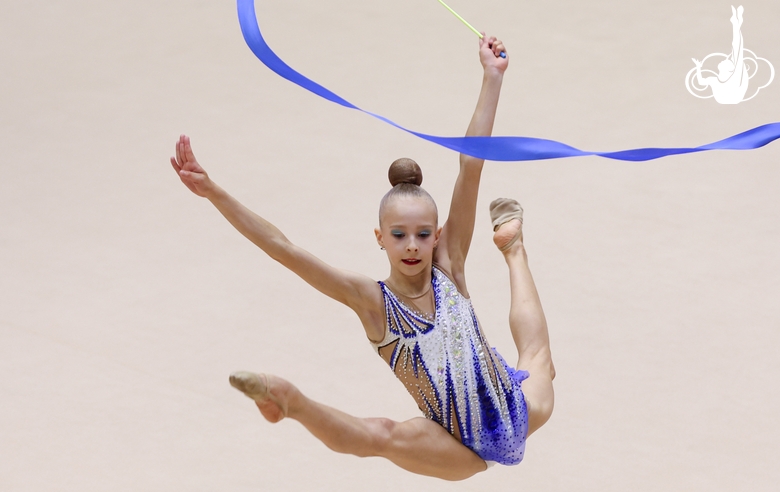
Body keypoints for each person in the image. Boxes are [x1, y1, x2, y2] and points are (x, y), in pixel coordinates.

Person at [170, 34, 554, 481]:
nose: (412, 245)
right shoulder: (373, 302)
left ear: (437, 237)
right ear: (381, 238)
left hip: (516, 405)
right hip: (454, 445)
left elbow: (471, 164)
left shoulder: (449, 265)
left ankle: (513, 249)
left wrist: (492, 78)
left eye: (423, 234)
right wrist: (213, 191)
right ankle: (289, 400)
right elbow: (284, 249)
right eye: (400, 234)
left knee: (539, 357)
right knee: (382, 436)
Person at [692, 5, 749, 104]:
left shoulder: (727, 78)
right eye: (728, 61)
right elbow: (701, 82)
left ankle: (736, 23)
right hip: (731, 98)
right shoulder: (718, 79)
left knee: (737, 51)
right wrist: (698, 67)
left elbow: (737, 49)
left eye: (727, 61)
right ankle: (736, 23)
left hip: (730, 97)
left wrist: (698, 68)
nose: (724, 59)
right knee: (737, 52)